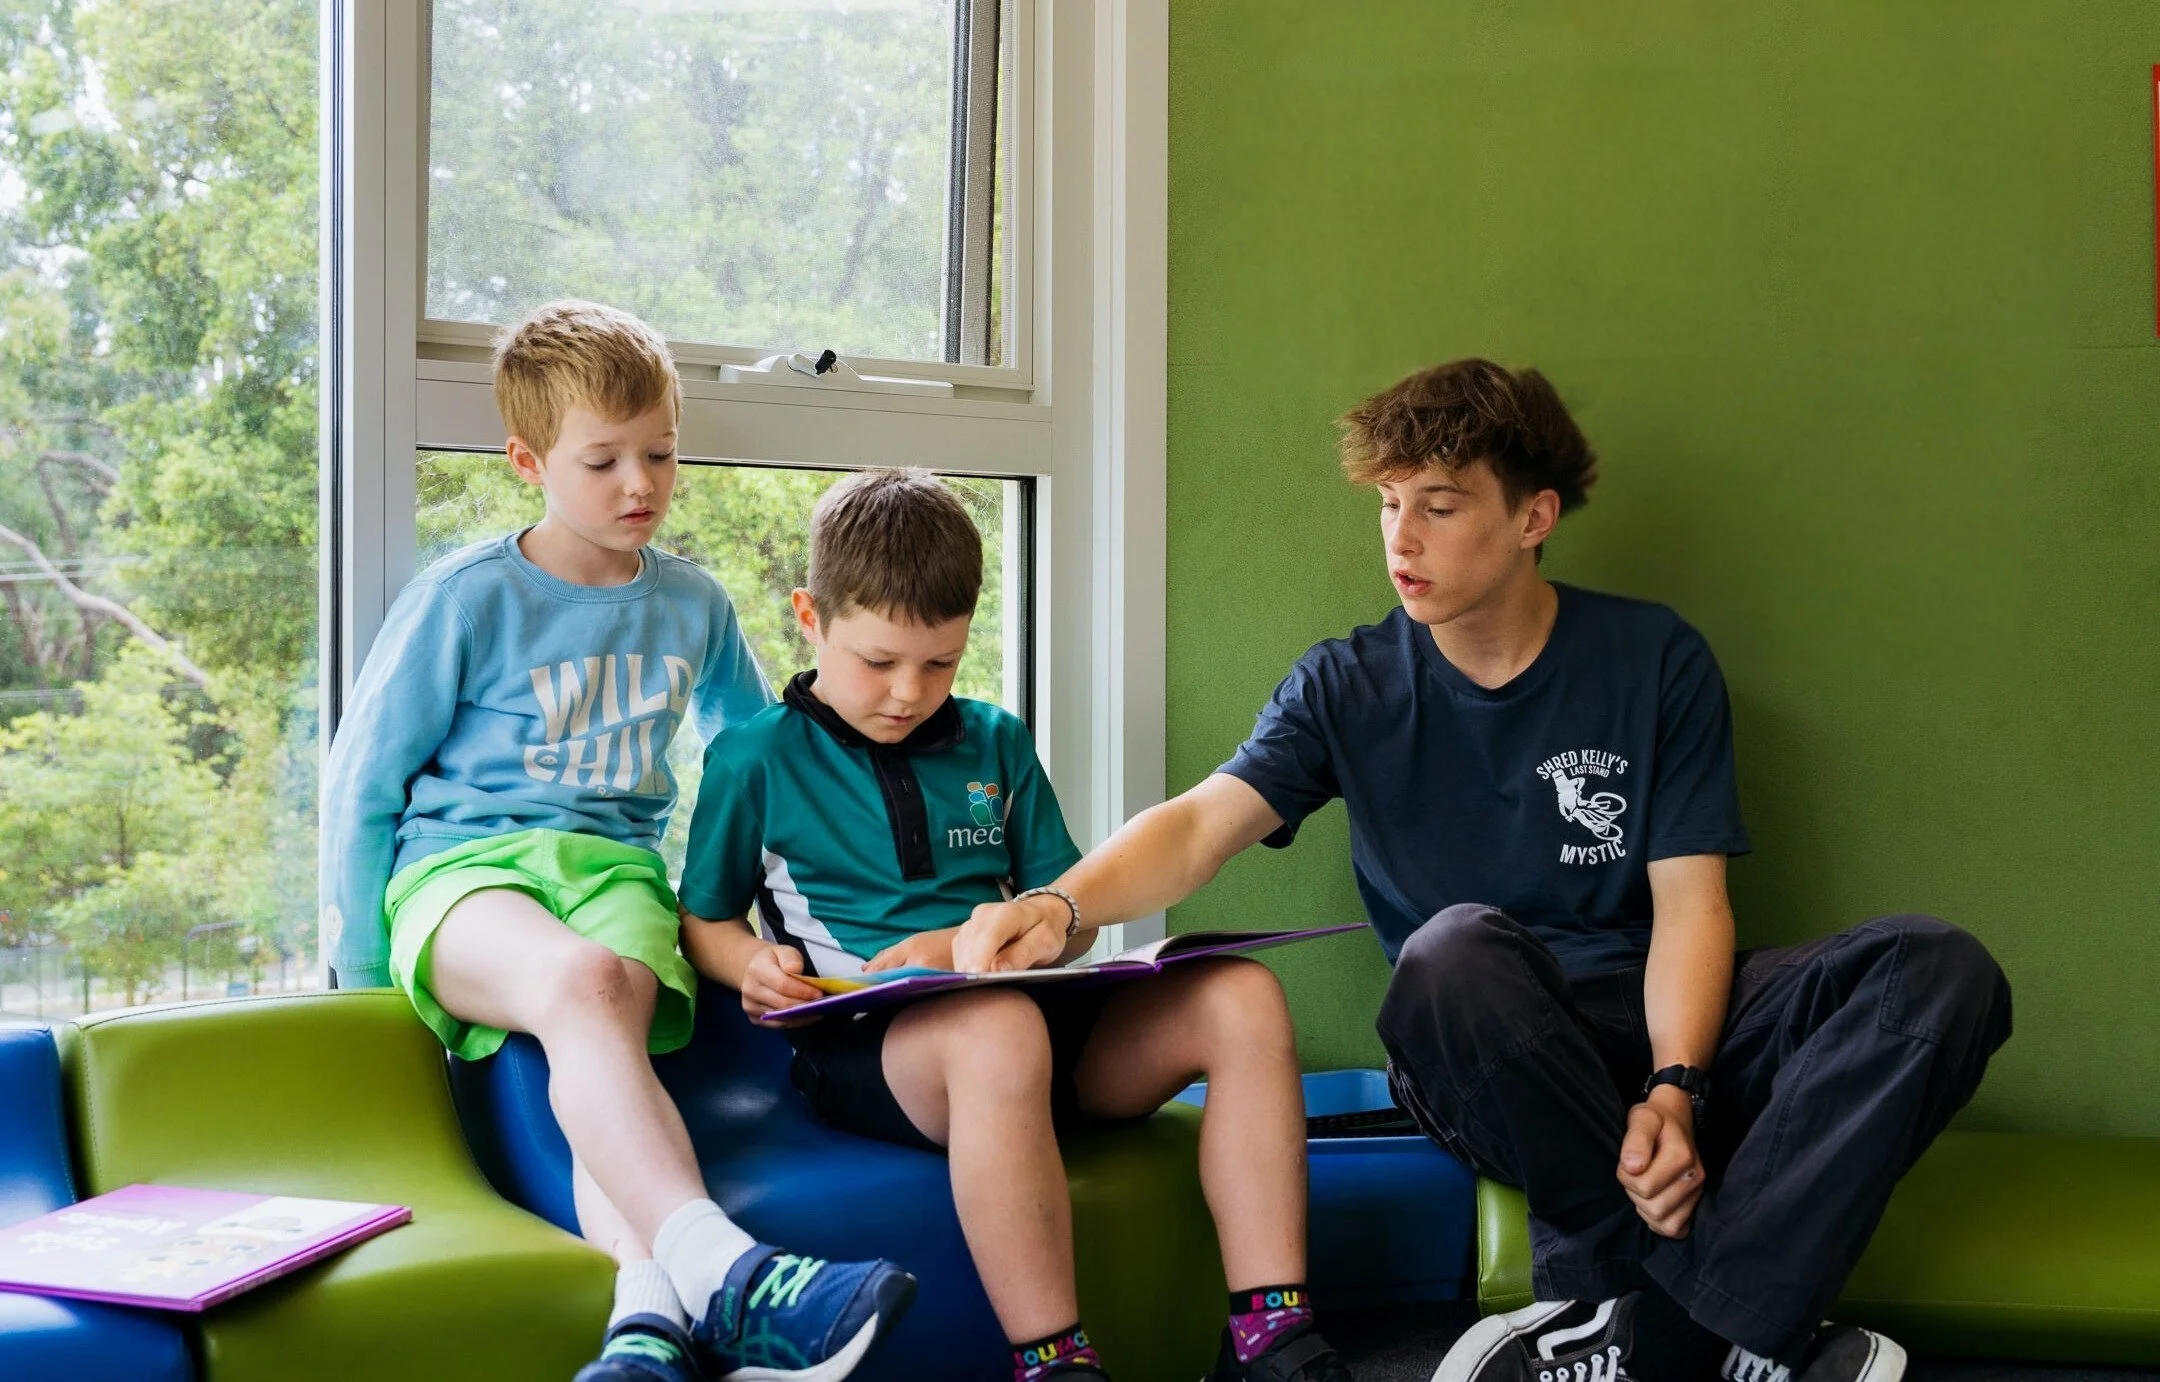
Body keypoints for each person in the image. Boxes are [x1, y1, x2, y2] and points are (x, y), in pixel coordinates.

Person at [951, 361, 2014, 1382]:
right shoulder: (1348, 683)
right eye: (1387, 503)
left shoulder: (1655, 660)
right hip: (1483, 1039)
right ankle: (1743, 1325)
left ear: (1534, 517)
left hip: (1652, 1013)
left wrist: (1676, 1086)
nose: (1400, 539)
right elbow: (1196, 826)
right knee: (1449, 946)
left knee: (1937, 971)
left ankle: (1672, 1334)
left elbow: (1693, 904)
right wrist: (1061, 903)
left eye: (1442, 506)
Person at [319, 300, 915, 1382]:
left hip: (617, 876)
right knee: (589, 986)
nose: (639, 483)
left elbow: (755, 758)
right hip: (467, 870)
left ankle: (646, 1324)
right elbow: (364, 782)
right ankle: (732, 1274)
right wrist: (363, 987)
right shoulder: (468, 598)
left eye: (660, 453)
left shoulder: (689, 604)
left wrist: (811, 909)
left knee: (606, 1024)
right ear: (527, 460)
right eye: (603, 461)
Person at [679, 468, 1355, 1382]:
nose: (909, 691)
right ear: (809, 616)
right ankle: (1056, 1360)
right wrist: (751, 962)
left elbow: (1063, 916)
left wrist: (1033, 932)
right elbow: (704, 919)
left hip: (1037, 1026)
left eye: (941, 661)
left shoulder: (996, 740)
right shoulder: (753, 758)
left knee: (1241, 994)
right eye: (878, 662)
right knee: (996, 1031)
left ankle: (1271, 1336)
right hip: (874, 1048)